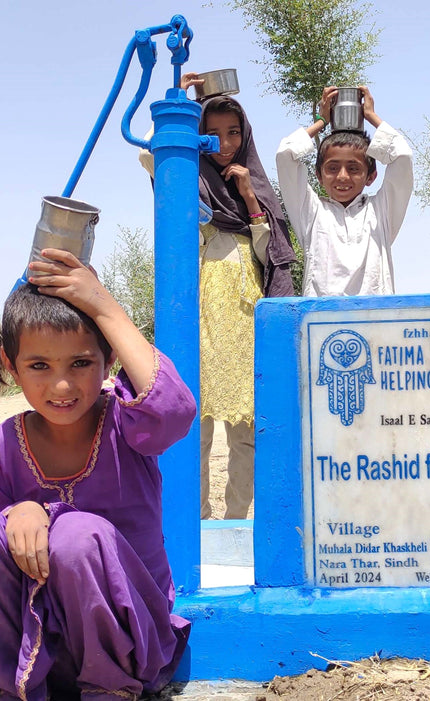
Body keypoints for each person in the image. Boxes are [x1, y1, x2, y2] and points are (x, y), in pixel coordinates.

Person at [0, 249, 196, 700]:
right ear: (11, 368)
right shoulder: (8, 445)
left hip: (132, 645)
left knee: (73, 536)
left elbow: (173, 411)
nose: (62, 386)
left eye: (81, 363)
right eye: (39, 366)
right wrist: (18, 512)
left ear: (108, 363)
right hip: (42, 655)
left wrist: (105, 306)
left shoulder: (128, 427)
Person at [140, 73, 296, 519]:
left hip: (245, 322)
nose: (224, 143)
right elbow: (148, 153)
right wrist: (180, 102)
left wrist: (249, 199)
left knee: (245, 431)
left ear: (245, 135)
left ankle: (234, 521)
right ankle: (199, 520)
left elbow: (273, 259)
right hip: (199, 318)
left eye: (233, 133)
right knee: (197, 428)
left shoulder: (258, 190)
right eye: (212, 133)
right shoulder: (190, 185)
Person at [276, 85, 414, 297]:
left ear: (371, 177)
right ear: (319, 176)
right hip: (321, 323)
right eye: (332, 168)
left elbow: (402, 156)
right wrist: (321, 121)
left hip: (375, 321)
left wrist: (371, 116)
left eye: (353, 168)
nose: (342, 176)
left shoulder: (381, 212)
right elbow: (286, 154)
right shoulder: (311, 213)